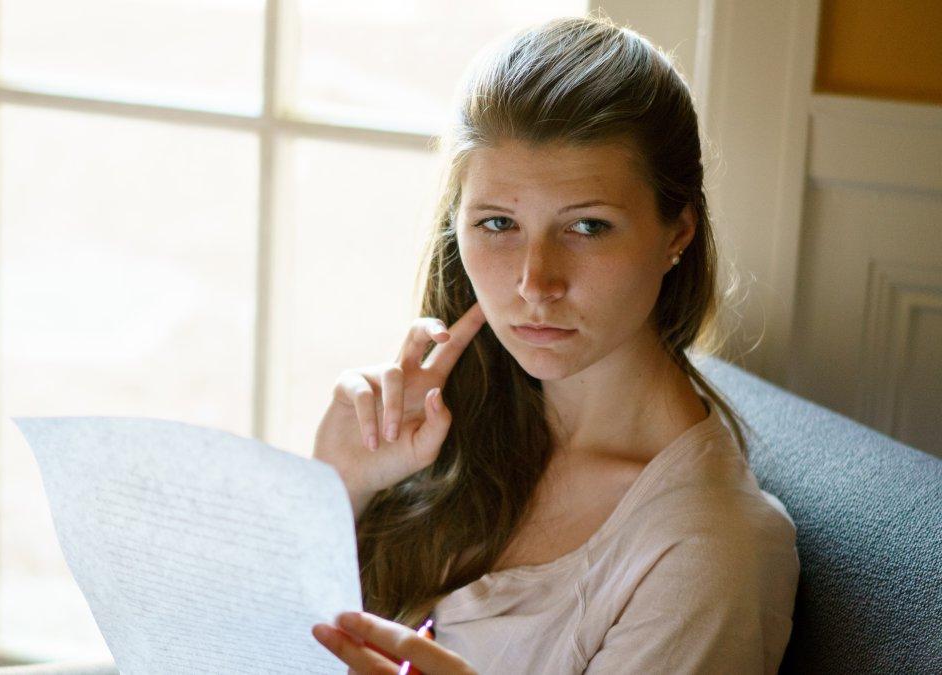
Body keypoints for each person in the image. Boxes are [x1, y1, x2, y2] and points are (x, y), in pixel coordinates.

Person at [308, 13, 800, 675]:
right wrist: (338, 487)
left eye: (588, 226)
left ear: (677, 231)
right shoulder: (442, 427)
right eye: (498, 223)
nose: (534, 282)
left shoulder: (709, 548)